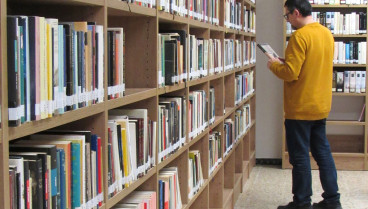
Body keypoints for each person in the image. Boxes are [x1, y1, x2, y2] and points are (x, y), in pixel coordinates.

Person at [266, 0, 342, 209]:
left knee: (299, 157)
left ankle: (301, 203)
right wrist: (286, 60)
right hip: (320, 105)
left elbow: (291, 73)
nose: (288, 20)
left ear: (296, 12)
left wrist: (273, 65)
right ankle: (333, 200)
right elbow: (310, 64)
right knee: (322, 153)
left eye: (287, 15)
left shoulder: (299, 36)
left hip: (300, 108)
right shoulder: (326, 33)